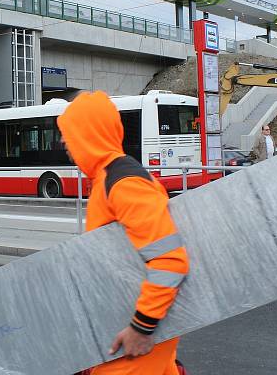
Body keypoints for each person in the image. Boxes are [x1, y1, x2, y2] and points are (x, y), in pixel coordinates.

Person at [58, 91, 189, 375]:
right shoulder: (107, 178)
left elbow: (170, 261)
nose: (63, 141)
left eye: (68, 132)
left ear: (87, 133)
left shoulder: (124, 182)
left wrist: (141, 328)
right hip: (128, 329)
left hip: (134, 339)